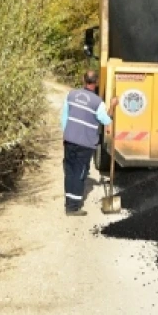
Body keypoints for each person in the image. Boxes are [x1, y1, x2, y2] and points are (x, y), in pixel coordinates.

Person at [59, 70, 117, 216]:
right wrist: (112, 106)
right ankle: (73, 208)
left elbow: (64, 117)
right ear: (96, 82)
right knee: (80, 173)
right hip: (85, 144)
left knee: (70, 171)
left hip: (70, 139)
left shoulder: (71, 95)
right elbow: (106, 120)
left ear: (83, 79)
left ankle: (69, 204)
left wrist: (65, 135)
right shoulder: (97, 102)